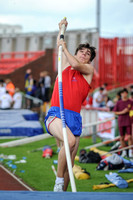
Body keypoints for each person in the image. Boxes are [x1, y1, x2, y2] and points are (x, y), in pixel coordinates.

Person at [44, 18, 96, 192]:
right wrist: (61, 29)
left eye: (87, 54)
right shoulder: (64, 65)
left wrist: (65, 47)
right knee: (70, 141)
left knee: (70, 163)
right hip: (57, 114)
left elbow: (75, 63)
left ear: (89, 60)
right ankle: (58, 182)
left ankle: (63, 194)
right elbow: (62, 49)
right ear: (75, 53)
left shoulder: (88, 71)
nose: (83, 54)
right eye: (81, 51)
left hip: (74, 117)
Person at [113, 88, 133, 158]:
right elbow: (115, 112)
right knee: (122, 137)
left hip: (128, 121)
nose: (124, 94)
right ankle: (124, 151)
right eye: (122, 93)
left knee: (130, 137)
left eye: (125, 93)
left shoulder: (130, 102)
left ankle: (130, 151)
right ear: (121, 94)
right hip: (121, 121)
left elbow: (131, 111)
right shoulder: (119, 102)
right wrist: (123, 112)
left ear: (127, 94)